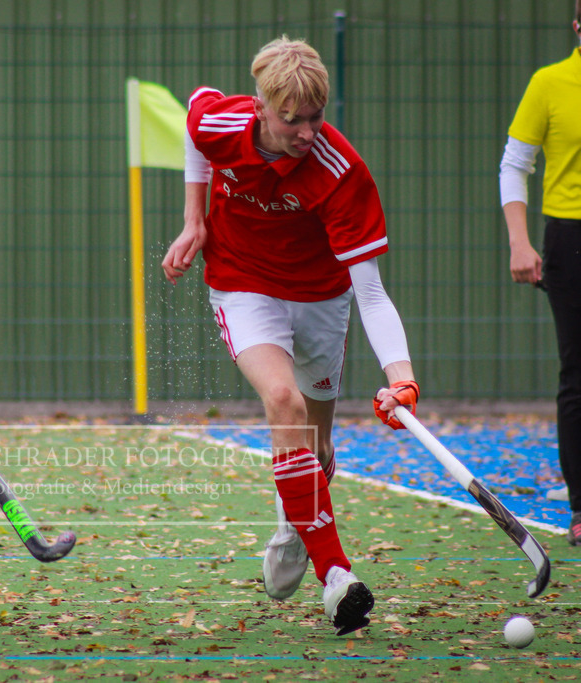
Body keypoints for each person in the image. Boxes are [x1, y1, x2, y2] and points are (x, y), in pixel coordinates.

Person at [162, 36, 419, 636]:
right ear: (260, 107)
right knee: (284, 403)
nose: (307, 132)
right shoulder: (223, 122)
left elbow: (372, 293)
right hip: (243, 282)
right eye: (291, 119)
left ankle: (292, 522)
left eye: (316, 117)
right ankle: (336, 575)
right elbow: (195, 129)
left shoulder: (341, 170)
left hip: (322, 297)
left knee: (317, 450)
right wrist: (193, 217)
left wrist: (400, 376)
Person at [500, 0, 581, 546]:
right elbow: (515, 165)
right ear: (578, 29)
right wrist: (520, 242)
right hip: (573, 241)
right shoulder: (550, 83)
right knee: (580, 375)